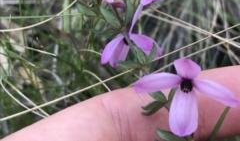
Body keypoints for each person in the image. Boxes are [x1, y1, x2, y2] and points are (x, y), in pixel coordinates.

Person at [2, 65, 240, 141]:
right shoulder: (175, 83)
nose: (186, 86)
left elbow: (227, 97)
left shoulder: (188, 85)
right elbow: (143, 86)